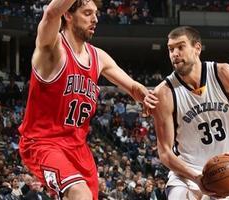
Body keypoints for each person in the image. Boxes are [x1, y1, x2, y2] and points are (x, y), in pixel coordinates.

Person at [18, 0, 157, 200]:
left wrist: (144, 95)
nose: (95, 19)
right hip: (43, 143)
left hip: (78, 148)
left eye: (96, 13)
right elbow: (50, 14)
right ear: (68, 15)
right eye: (87, 13)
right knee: (79, 193)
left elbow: (133, 87)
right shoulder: (53, 49)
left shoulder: (98, 57)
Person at [149, 26, 229, 199]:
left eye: (181, 47)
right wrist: (196, 178)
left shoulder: (222, 73)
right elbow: (165, 152)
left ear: (197, 48)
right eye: (171, 49)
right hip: (188, 174)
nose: (175, 53)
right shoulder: (164, 93)